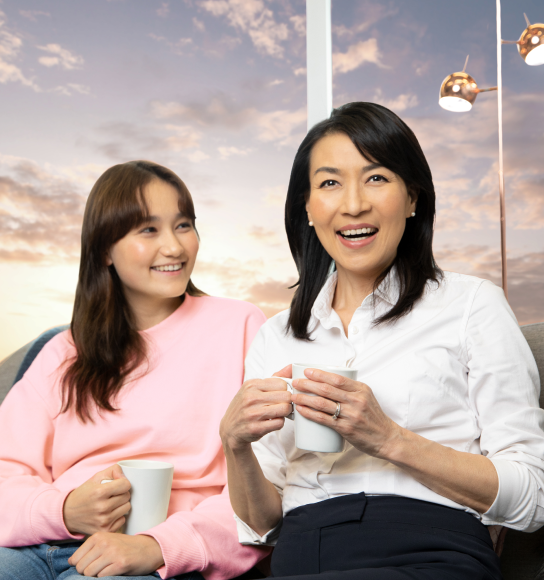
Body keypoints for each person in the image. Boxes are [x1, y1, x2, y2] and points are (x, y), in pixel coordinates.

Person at [219, 102, 544, 579]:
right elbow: (261, 523)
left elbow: (534, 497)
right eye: (329, 183)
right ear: (307, 208)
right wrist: (235, 446)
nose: (353, 204)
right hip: (302, 556)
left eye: (376, 178)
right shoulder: (277, 335)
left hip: (432, 552)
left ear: (413, 198)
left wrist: (389, 438)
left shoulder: (472, 304)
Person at [0, 161, 268, 580]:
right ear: (105, 249)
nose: (175, 248)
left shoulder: (241, 327)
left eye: (183, 225)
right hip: (39, 549)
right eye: (148, 230)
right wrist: (65, 510)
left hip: (151, 559)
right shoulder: (64, 352)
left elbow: (270, 486)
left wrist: (157, 546)